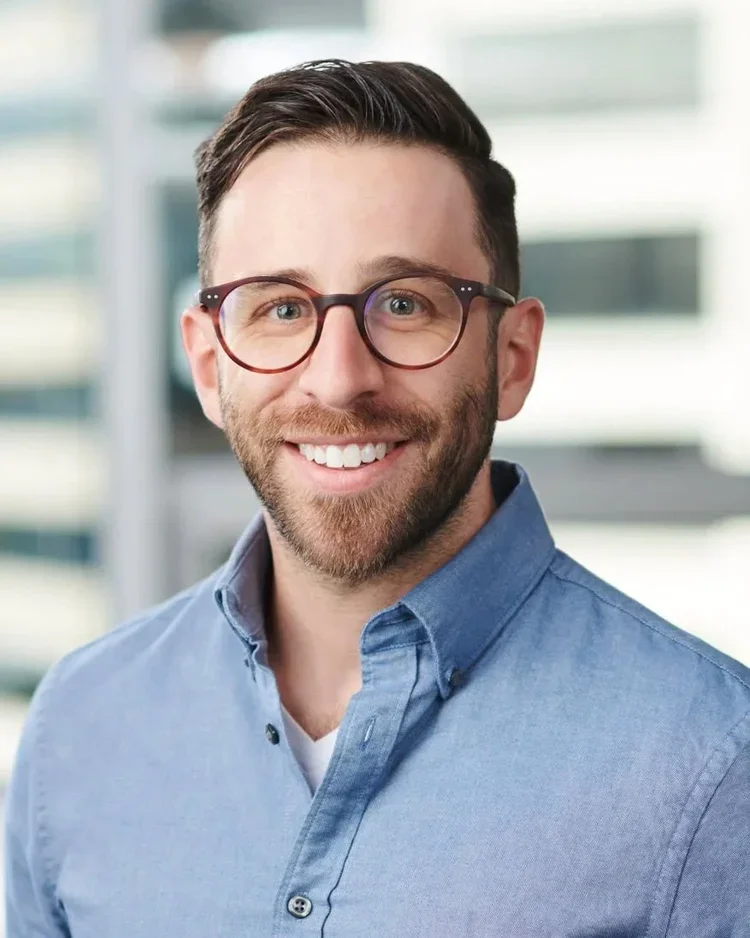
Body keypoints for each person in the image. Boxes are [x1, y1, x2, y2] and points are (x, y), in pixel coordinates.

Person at [4, 59, 750, 937]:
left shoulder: (710, 761)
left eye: (404, 304)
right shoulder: (83, 725)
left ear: (512, 357)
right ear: (208, 364)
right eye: (280, 309)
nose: (339, 378)